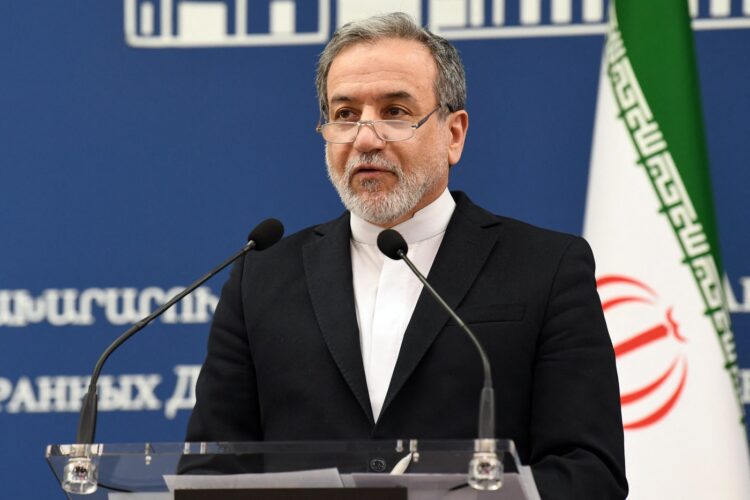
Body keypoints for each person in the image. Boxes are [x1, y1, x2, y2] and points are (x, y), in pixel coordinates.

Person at [185, 12, 627, 499]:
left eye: (395, 111)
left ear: (453, 134)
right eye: (345, 114)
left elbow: (589, 471)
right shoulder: (262, 278)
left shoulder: (546, 267)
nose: (365, 138)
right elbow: (209, 470)